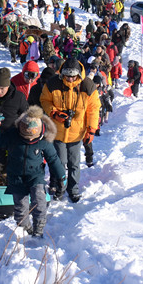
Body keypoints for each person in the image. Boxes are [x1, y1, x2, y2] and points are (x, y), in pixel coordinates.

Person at [0, 105, 66, 237]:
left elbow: (53, 159)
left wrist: (61, 176)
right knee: (20, 208)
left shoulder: (44, 140)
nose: (30, 139)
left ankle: (39, 229)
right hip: (16, 176)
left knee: (39, 201)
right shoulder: (13, 135)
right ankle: (26, 230)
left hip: (35, 175)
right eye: (27, 137)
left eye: (33, 137)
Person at [40, 58, 100, 203]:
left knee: (74, 163)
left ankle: (73, 189)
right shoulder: (53, 84)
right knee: (60, 162)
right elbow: (45, 100)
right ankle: (59, 187)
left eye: (73, 76)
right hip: (57, 131)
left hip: (77, 133)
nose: (70, 79)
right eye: (67, 76)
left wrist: (91, 130)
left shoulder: (88, 86)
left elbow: (93, 109)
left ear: (78, 74)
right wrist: (54, 112)